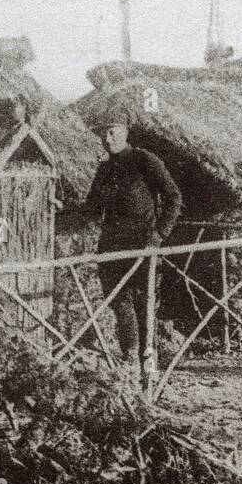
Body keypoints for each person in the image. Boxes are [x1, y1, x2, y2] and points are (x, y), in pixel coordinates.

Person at [83, 119, 182, 376]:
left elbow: (173, 196)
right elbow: (91, 209)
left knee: (144, 302)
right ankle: (130, 357)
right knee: (118, 300)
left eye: (112, 131)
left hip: (143, 245)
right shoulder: (104, 170)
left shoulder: (144, 161)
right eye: (103, 132)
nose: (107, 138)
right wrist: (62, 209)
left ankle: (148, 361)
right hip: (112, 246)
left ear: (125, 133)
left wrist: (159, 235)